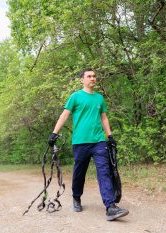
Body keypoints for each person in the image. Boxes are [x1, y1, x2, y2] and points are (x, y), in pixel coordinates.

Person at [48, 68, 129, 221]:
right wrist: (54, 133)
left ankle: (110, 207)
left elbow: (104, 118)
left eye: (94, 76)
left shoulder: (99, 98)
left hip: (99, 141)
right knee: (79, 172)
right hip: (80, 142)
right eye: (89, 76)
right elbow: (64, 115)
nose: (92, 78)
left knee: (104, 172)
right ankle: (76, 197)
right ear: (82, 80)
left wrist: (109, 136)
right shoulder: (75, 97)